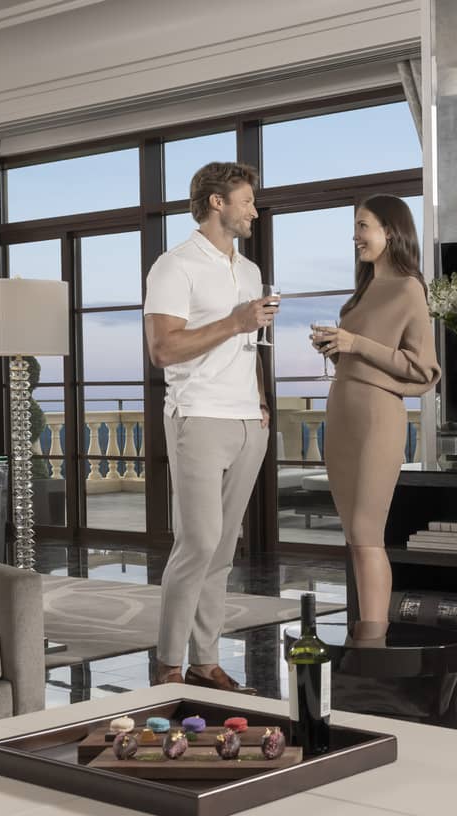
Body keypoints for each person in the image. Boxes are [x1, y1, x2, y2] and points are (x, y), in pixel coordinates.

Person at [143, 161, 278, 690]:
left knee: (223, 550)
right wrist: (234, 322)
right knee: (198, 542)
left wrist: (262, 403)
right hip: (197, 417)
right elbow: (163, 348)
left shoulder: (247, 271)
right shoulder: (173, 267)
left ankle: (205, 659)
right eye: (247, 201)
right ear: (217, 202)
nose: (254, 210)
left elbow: (253, 346)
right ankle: (168, 664)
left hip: (248, 421)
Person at [311, 195, 441, 640]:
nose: (356, 236)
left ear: (391, 231)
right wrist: (336, 346)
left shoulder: (408, 288)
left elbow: (423, 369)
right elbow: (364, 352)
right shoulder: (364, 290)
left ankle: (374, 644)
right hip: (343, 417)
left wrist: (355, 344)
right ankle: (367, 640)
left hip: (376, 422)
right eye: (356, 227)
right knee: (354, 536)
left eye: (363, 226)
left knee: (368, 534)